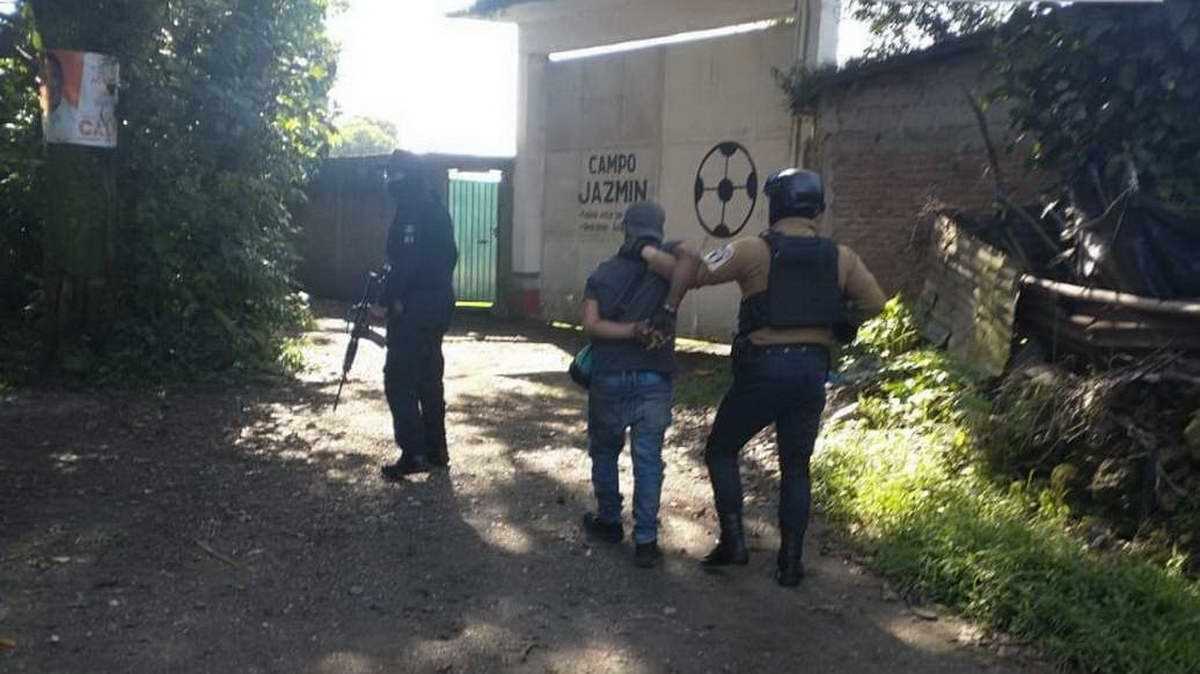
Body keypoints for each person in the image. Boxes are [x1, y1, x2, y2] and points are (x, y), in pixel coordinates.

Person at [645, 168, 886, 586]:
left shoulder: (754, 249)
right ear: (816, 209)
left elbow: (694, 273)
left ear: (775, 204)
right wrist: (838, 318)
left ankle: (734, 542)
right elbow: (875, 303)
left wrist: (649, 254)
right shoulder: (841, 257)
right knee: (796, 467)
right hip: (811, 373)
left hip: (764, 370)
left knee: (722, 449)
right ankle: (790, 564)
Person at [579, 201, 681, 569]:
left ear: (625, 229)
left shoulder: (603, 273)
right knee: (648, 459)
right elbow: (691, 269)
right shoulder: (669, 274)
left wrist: (628, 330)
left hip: (609, 375)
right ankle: (646, 541)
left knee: (605, 451)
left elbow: (591, 325)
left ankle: (609, 521)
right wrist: (641, 329)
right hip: (654, 378)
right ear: (659, 230)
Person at [378, 150, 459, 480]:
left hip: (415, 307)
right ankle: (437, 450)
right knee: (429, 378)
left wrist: (390, 299)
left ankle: (414, 453)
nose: (390, 181)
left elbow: (407, 264)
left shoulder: (414, 210)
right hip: (437, 304)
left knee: (399, 379)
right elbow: (450, 256)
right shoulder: (434, 207)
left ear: (404, 177)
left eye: (393, 174)